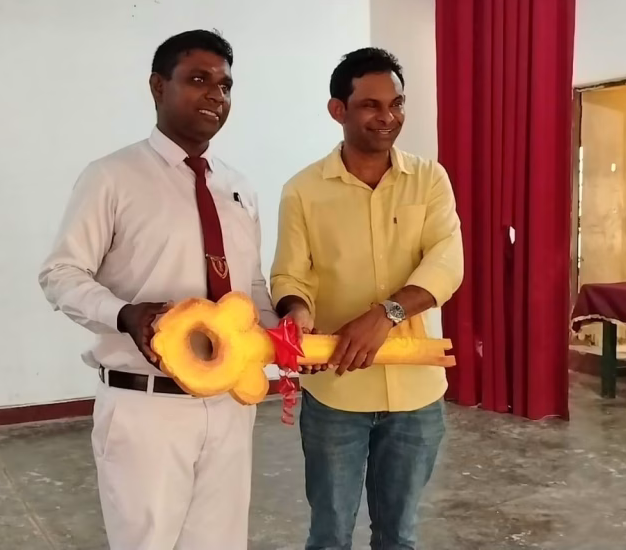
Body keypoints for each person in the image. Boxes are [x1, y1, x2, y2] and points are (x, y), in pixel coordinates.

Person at [38, 29, 275, 549]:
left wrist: (287, 334)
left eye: (225, 85)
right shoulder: (112, 177)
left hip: (230, 404)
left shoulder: (238, 187)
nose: (216, 95)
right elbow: (61, 274)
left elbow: (251, 287)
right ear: (157, 86)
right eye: (198, 80)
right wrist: (126, 315)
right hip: (146, 405)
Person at [271, 48, 464, 550]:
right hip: (336, 391)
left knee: (399, 536)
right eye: (371, 105)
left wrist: (387, 314)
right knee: (330, 535)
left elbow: (447, 262)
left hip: (416, 394)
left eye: (396, 104)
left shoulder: (430, 179)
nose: (388, 117)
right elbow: (291, 275)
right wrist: (299, 315)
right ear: (338, 110)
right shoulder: (302, 191)